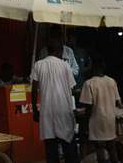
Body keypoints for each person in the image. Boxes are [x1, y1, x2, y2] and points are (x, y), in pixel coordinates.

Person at [31, 35, 79, 163]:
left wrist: (35, 110)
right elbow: (72, 88)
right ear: (60, 51)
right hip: (64, 112)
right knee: (69, 151)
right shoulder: (65, 66)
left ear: (47, 50)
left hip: (47, 113)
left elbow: (34, 89)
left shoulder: (38, 65)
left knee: (51, 152)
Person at [79, 55, 123, 163]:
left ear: (93, 67)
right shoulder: (112, 81)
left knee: (100, 150)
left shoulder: (89, 83)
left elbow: (88, 107)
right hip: (110, 120)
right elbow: (118, 102)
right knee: (112, 148)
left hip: (97, 121)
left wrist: (85, 124)